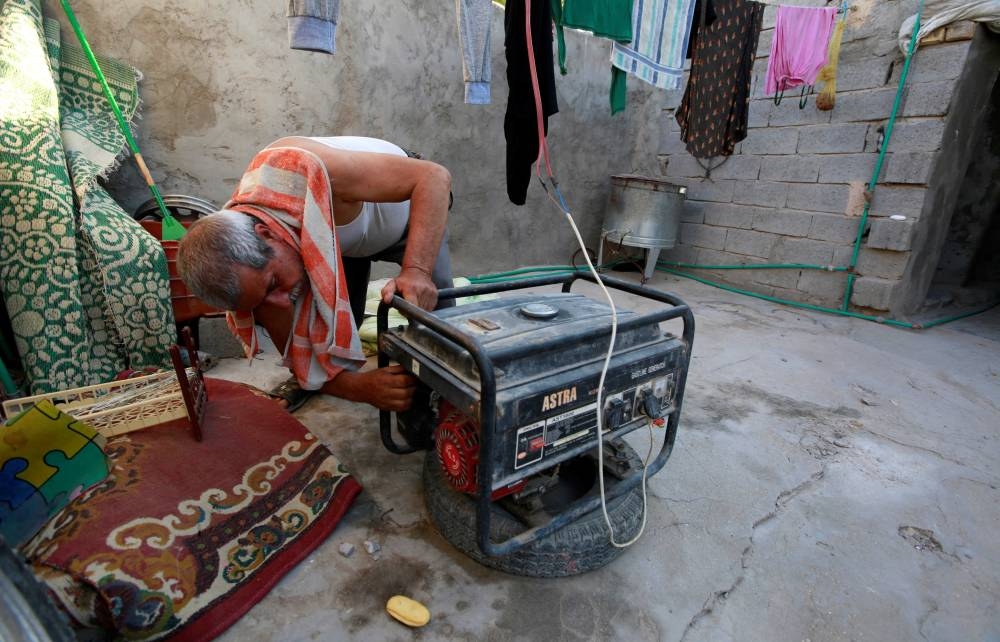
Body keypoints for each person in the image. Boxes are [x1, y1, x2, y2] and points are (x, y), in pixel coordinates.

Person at [177, 135, 453, 412]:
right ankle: (317, 380)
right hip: (344, 242)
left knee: (439, 320)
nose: (283, 303)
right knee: (339, 331)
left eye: (274, 285)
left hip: (407, 212)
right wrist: (359, 388)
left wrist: (417, 270)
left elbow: (433, 178)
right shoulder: (258, 277)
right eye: (264, 299)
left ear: (267, 234)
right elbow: (295, 348)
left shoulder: (321, 173)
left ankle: (448, 406)